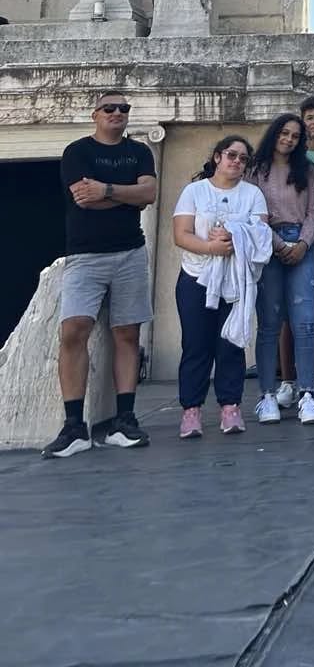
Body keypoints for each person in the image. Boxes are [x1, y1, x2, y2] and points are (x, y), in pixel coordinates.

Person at [42, 91, 158, 459]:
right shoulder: (77, 152)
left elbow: (150, 193)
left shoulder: (140, 151)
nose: (117, 113)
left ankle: (125, 419)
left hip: (130, 253)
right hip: (85, 255)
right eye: (109, 107)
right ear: (95, 114)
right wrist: (128, 195)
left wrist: (106, 190)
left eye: (124, 108)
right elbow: (83, 199)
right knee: (73, 330)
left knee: (127, 333)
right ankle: (74, 425)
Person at [172, 135, 270, 439]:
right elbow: (181, 234)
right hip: (196, 276)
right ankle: (191, 410)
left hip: (235, 278)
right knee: (196, 344)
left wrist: (233, 235)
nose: (237, 162)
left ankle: (230, 406)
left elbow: (261, 233)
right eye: (231, 155)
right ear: (217, 157)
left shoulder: (252, 194)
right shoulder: (194, 191)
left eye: (243, 158)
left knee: (231, 342)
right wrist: (211, 247)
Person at [248, 113, 314, 425]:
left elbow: (312, 211)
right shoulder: (255, 170)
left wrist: (303, 243)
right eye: (284, 133)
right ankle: (267, 395)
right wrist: (279, 244)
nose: (289, 139)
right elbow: (253, 215)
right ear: (274, 133)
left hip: (302, 244)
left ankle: (307, 394)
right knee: (269, 323)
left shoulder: (306, 169)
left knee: (306, 323)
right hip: (267, 244)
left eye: (295, 136)